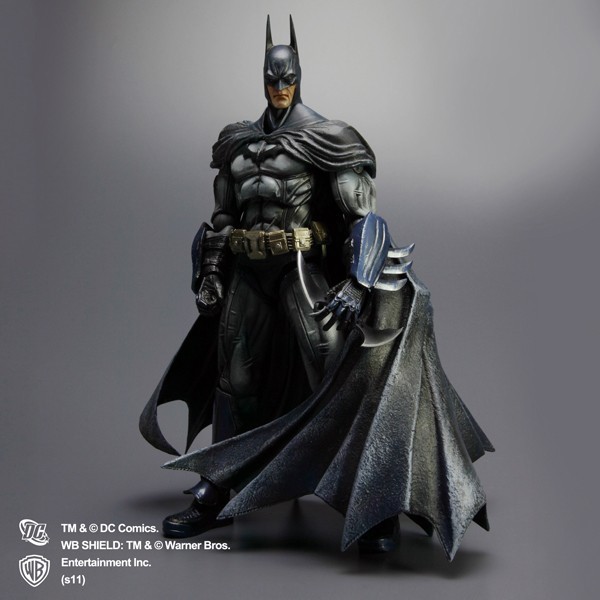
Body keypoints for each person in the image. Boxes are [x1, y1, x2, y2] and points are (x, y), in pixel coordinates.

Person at [140, 16, 493, 559]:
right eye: (272, 78)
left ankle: (370, 498)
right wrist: (209, 272)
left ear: (299, 76)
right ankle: (219, 486)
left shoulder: (326, 139)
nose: (280, 87)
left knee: (335, 370)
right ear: (262, 77)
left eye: (288, 78)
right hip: (248, 273)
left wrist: (359, 283)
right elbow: (221, 220)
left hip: (299, 269)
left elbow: (365, 217)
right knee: (235, 379)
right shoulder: (236, 145)